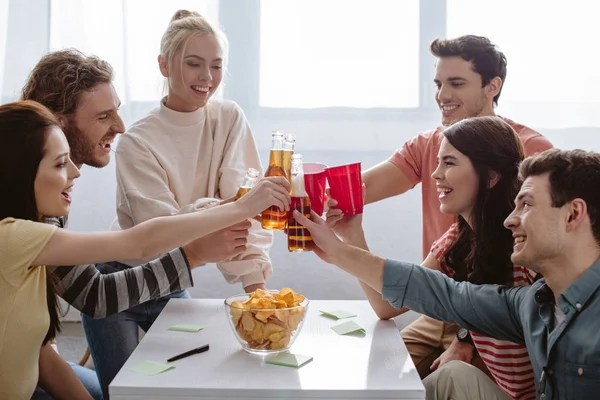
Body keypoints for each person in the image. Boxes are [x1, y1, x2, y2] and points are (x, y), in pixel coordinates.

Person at [0, 100, 290, 399]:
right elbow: (139, 242)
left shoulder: (34, 229)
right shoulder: (15, 237)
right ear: (20, 172)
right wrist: (237, 212)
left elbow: (41, 351)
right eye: (61, 163)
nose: (75, 172)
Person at [297, 148, 600, 400]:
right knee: (447, 377)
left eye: (527, 205)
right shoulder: (532, 304)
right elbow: (441, 293)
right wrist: (337, 250)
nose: (511, 220)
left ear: (573, 215)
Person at [332, 35, 553, 378]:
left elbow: (535, 275)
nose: (442, 95)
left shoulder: (529, 151)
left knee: (447, 381)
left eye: (456, 83)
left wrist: (467, 335)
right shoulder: (430, 147)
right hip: (437, 303)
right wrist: (290, 192)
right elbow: (358, 189)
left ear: (492, 86)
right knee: (374, 373)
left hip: (495, 320)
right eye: (438, 83)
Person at [329, 116, 537, 398]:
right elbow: (387, 306)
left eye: (449, 163)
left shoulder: (526, 244)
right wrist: (352, 234)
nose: (435, 174)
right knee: (382, 375)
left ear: (491, 176)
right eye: (438, 162)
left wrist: (464, 339)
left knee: (452, 375)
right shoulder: (457, 240)